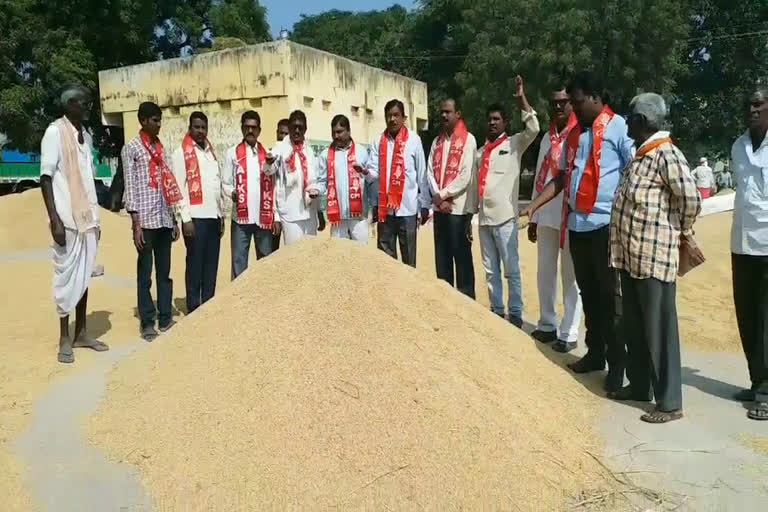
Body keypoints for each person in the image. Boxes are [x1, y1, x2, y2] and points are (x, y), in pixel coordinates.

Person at [521, 72, 633, 391]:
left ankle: (617, 366)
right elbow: (560, 178)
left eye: (578, 102)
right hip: (578, 227)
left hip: (605, 228)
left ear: (596, 98)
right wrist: (534, 206)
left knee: (610, 299)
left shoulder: (618, 127)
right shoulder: (574, 137)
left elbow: (633, 167)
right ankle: (595, 354)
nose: (574, 108)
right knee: (589, 294)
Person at [610, 93, 701, 423]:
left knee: (659, 329)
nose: (628, 124)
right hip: (630, 258)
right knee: (635, 327)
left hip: (653, 257)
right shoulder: (642, 155)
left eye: (631, 118)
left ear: (641, 122)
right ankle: (640, 387)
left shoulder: (666, 154)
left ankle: (669, 402)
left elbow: (690, 200)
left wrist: (677, 229)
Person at [40, 85, 109, 363]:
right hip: (66, 220)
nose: (87, 106)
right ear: (69, 105)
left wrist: (96, 218)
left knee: (82, 277)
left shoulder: (86, 137)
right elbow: (46, 177)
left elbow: (88, 181)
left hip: (87, 219)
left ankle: (81, 333)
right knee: (66, 279)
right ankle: (64, 338)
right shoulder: (55, 132)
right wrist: (54, 219)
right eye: (83, 102)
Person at [122, 102, 193, 341]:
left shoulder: (162, 149)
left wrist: (174, 219)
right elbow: (130, 189)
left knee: (165, 272)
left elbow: (169, 185)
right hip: (145, 221)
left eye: (160, 120)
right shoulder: (131, 149)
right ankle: (147, 321)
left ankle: (165, 317)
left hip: (163, 218)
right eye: (155, 120)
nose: (159, 124)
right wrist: (135, 225)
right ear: (142, 121)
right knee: (145, 274)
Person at [474, 76, 539, 327]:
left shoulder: (514, 144)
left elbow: (533, 128)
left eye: (496, 119)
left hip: (505, 219)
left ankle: (515, 314)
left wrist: (521, 97)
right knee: (490, 271)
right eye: (489, 119)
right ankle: (496, 310)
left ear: (505, 122)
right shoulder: (480, 152)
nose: (492, 123)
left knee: (511, 270)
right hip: (484, 219)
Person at [528, 85, 583, 352]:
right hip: (546, 213)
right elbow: (540, 176)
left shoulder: (579, 134)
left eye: (564, 102)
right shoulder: (548, 137)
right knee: (545, 272)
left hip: (570, 213)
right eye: (554, 103)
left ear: (573, 103)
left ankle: (569, 331)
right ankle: (547, 323)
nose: (559, 107)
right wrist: (534, 215)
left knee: (570, 275)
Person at [730, 86, 768, 421]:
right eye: (748, 105)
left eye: (758, 104)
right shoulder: (738, 146)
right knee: (747, 316)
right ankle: (757, 380)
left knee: (767, 320)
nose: (752, 110)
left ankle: (767, 391)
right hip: (741, 244)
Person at [171, 112, 224, 313]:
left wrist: (220, 216)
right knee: (195, 265)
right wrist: (185, 219)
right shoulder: (181, 153)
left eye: (203, 127)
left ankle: (208, 307)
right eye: (197, 127)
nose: (200, 131)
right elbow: (178, 188)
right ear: (190, 128)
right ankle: (194, 308)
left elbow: (215, 185)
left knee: (211, 266)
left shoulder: (211, 152)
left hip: (213, 217)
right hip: (195, 219)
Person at [427, 98, 478, 298]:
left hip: (459, 210)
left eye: (448, 111)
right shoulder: (436, 142)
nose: (443, 115)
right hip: (441, 210)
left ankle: (467, 305)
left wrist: (444, 194)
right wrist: (439, 198)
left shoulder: (469, 140)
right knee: (442, 259)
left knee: (462, 260)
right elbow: (430, 171)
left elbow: (465, 175)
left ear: (458, 114)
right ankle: (445, 303)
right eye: (441, 112)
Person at [370, 99, 429, 267]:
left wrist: (424, 205)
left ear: (404, 117)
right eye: (388, 116)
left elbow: (422, 175)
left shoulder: (414, 140)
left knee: (409, 260)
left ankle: (410, 293)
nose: (392, 119)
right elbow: (374, 174)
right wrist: (366, 173)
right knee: (385, 261)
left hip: (407, 210)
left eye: (396, 115)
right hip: (384, 211)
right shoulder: (378, 141)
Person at [223, 111, 280, 279]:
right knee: (239, 262)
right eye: (246, 127)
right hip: (241, 219)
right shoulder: (232, 153)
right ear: (242, 128)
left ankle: (263, 301)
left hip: (263, 218)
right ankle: (238, 302)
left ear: (259, 130)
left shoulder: (268, 154)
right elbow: (225, 183)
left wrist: (275, 217)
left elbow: (274, 187)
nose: (250, 131)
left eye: (253, 128)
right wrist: (231, 192)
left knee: (266, 263)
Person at [265, 110, 326, 245]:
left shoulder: (309, 150)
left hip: (310, 213)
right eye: (294, 127)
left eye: (300, 127)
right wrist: (268, 163)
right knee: (293, 257)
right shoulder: (280, 148)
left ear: (305, 128)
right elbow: (269, 173)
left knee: (310, 255)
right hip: (290, 214)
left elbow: (314, 180)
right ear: (290, 128)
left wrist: (319, 211)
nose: (297, 130)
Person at [318, 114, 376, 242]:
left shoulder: (362, 152)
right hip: (337, 217)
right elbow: (322, 182)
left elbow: (371, 180)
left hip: (359, 217)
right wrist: (316, 190)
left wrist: (365, 173)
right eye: (333, 133)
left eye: (339, 132)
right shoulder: (325, 155)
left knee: (361, 255)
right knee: (338, 257)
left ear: (349, 131)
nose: (336, 136)